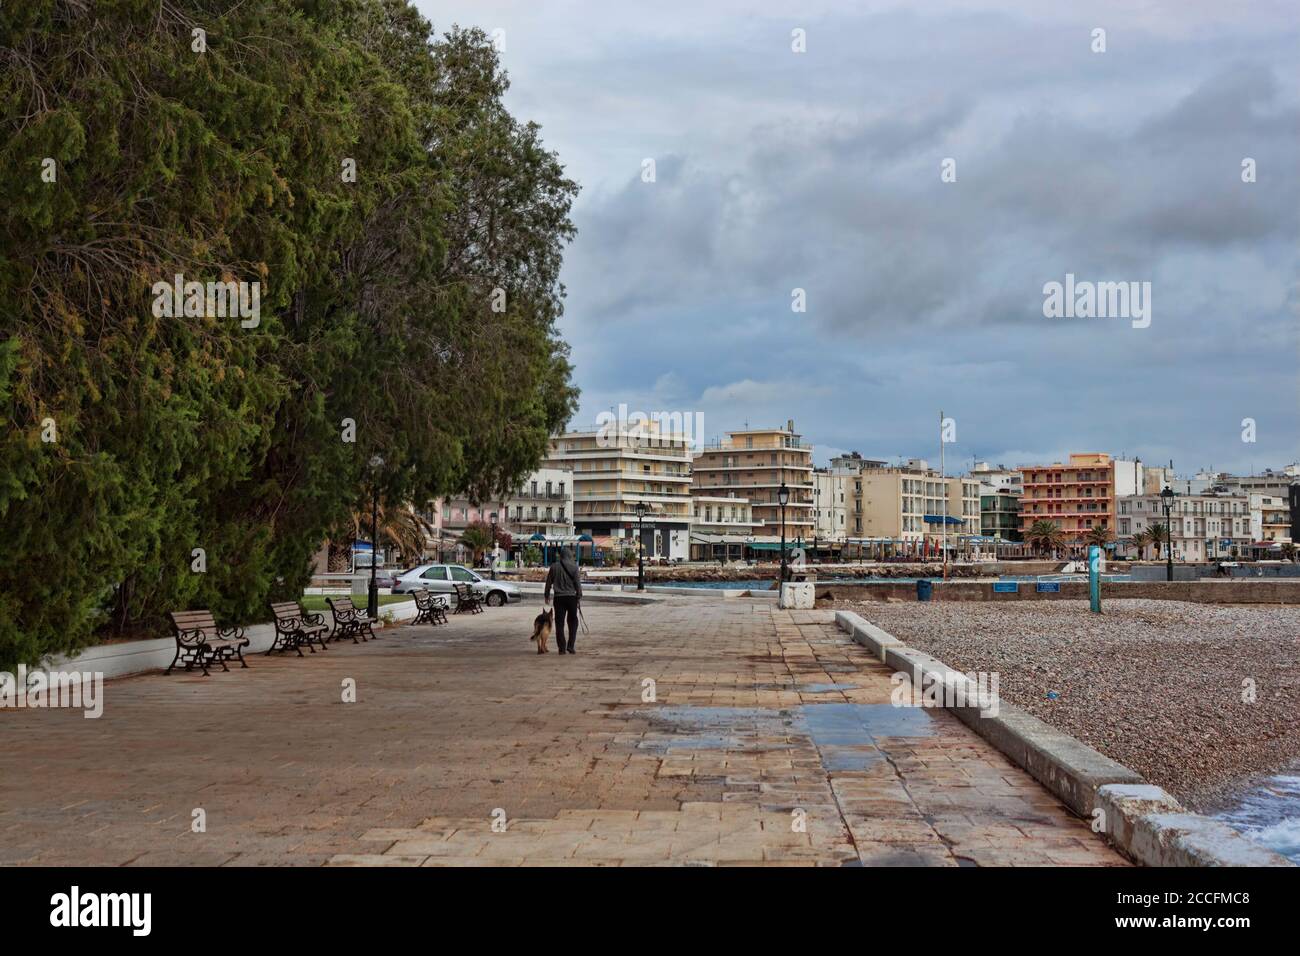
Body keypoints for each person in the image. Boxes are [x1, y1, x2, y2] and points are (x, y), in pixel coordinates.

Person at [543, 546, 583, 655]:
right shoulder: (574, 567)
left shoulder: (554, 567)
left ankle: (561, 648)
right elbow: (577, 585)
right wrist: (579, 596)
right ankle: (571, 646)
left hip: (559, 598)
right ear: (570, 555)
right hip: (571, 598)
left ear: (561, 556)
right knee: (573, 622)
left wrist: (546, 595)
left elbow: (548, 582)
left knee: (559, 623)